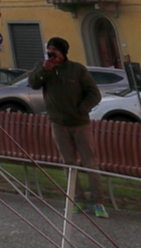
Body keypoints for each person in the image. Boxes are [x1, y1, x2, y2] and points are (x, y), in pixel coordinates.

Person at [28, 36, 107, 217]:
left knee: (90, 163)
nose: (51, 54)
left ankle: (99, 202)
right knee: (69, 163)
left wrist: (82, 108)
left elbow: (94, 94)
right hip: (58, 124)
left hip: (80, 124)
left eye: (54, 51)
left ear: (63, 52)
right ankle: (77, 199)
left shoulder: (77, 70)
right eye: (49, 50)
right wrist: (44, 69)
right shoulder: (44, 67)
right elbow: (33, 83)